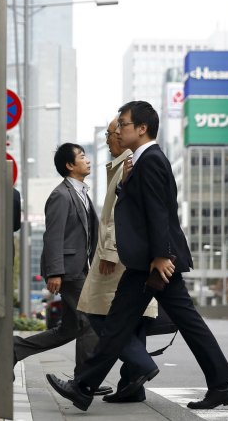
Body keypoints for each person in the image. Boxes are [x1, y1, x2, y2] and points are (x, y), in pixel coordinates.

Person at [46, 101, 228, 411]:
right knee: (123, 324)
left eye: (123, 124)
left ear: (142, 128)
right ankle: (84, 387)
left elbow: (158, 212)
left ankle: (83, 386)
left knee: (158, 322)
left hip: (154, 262)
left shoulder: (151, 160)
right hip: (146, 261)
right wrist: (124, 184)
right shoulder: (142, 161)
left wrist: (161, 255)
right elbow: (138, 207)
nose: (119, 130)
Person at [13, 143, 111, 396]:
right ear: (69, 165)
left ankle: (11, 352)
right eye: (82, 157)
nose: (87, 160)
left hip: (81, 268)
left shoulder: (81, 193)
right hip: (68, 271)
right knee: (89, 321)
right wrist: (54, 271)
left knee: (69, 329)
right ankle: (83, 383)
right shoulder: (61, 194)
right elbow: (53, 236)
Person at [76, 116, 157, 404]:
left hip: (119, 256)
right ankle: (132, 386)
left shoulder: (129, 165)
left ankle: (140, 367)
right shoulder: (123, 164)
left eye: (112, 133)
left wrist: (110, 251)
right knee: (132, 320)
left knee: (98, 313)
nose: (110, 138)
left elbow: (120, 214)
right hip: (131, 255)